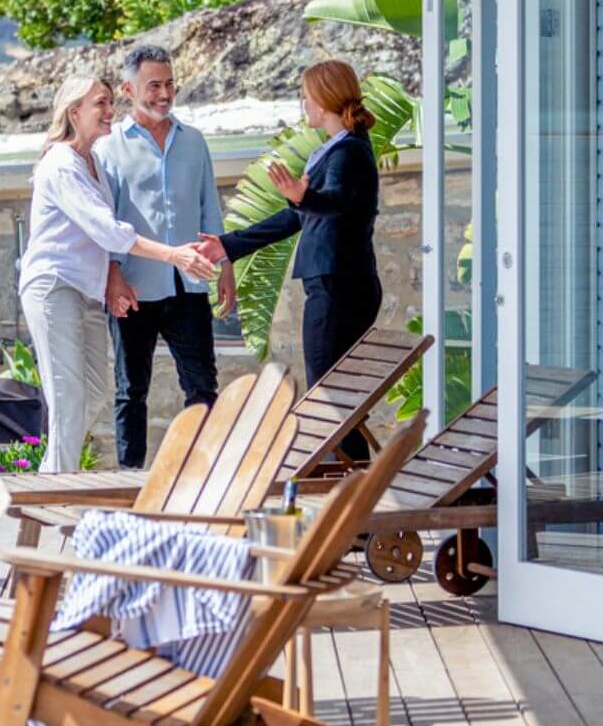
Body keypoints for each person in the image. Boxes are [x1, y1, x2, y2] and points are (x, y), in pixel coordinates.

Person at [19, 76, 217, 473]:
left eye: (111, 102)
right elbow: (108, 229)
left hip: (85, 290)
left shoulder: (92, 162)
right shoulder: (60, 164)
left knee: (92, 392)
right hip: (53, 287)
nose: (111, 111)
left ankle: (48, 480)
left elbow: (104, 237)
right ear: (74, 112)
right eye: (101, 104)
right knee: (68, 398)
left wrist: (113, 277)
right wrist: (174, 255)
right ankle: (55, 495)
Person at [194, 60, 381, 460]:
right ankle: (348, 496)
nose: (304, 104)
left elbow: (337, 205)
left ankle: (352, 501)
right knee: (331, 395)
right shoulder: (335, 151)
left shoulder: (349, 152)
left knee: (330, 397)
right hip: (332, 286)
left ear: (325, 99)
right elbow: (296, 216)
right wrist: (229, 245)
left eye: (307, 96)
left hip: (340, 288)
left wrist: (305, 197)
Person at [94, 45, 235, 469]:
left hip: (190, 286)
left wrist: (226, 267)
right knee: (131, 391)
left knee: (203, 388)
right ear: (129, 89)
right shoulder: (108, 149)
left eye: (169, 83)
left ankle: (203, 476)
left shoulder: (193, 142)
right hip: (135, 286)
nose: (164, 93)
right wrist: (113, 276)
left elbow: (210, 206)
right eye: (154, 84)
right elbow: (105, 222)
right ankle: (130, 482)